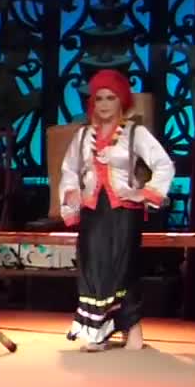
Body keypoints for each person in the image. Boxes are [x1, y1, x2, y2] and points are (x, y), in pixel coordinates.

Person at [59, 70, 173, 351]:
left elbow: (164, 164)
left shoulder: (135, 133)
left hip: (124, 211)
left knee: (122, 269)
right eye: (99, 98)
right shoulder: (83, 135)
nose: (105, 104)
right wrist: (72, 193)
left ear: (121, 100)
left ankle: (131, 325)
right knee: (93, 267)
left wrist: (144, 193)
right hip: (94, 210)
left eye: (111, 97)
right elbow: (69, 169)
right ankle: (96, 330)